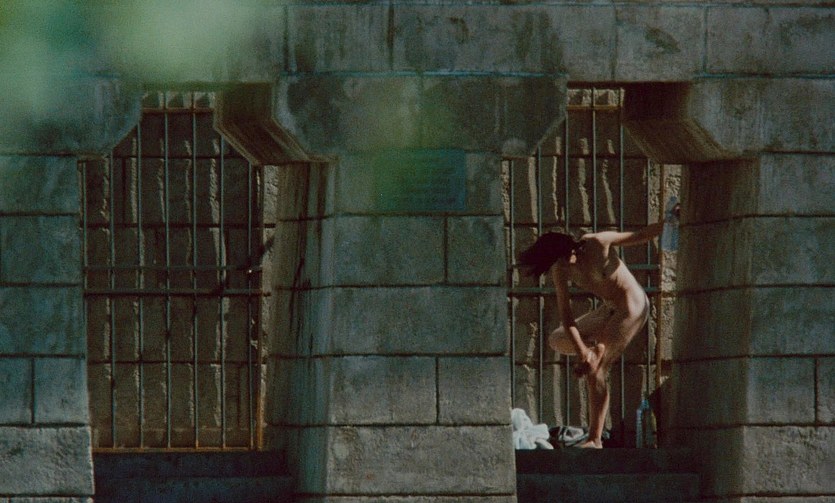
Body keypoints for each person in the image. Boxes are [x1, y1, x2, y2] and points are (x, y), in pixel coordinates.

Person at [517, 222, 665, 449]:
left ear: (573, 248)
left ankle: (595, 439)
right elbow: (567, 319)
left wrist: (670, 221)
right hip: (609, 309)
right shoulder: (560, 270)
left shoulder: (597, 242)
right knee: (556, 339)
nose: (568, 264)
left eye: (568, 257)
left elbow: (640, 234)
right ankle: (595, 352)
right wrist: (582, 353)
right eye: (560, 262)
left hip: (632, 305)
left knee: (597, 369)